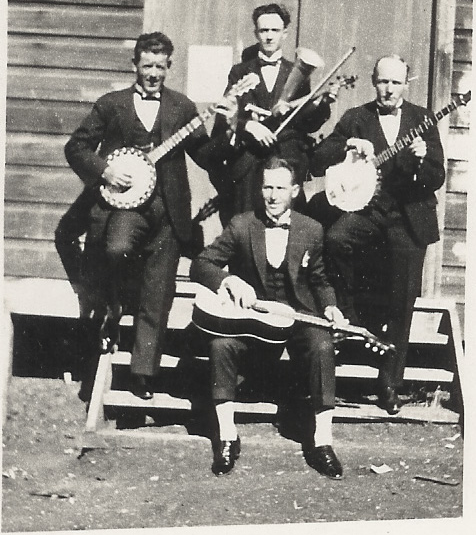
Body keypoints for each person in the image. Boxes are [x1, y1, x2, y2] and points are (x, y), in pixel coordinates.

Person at [65, 31, 229, 400]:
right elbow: (76, 147)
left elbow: (206, 155)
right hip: (126, 207)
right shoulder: (112, 104)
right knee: (116, 248)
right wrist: (105, 170)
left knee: (159, 292)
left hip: (168, 211)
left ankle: (142, 374)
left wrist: (226, 126)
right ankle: (115, 303)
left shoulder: (182, 107)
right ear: (134, 65)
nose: (153, 72)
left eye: (160, 66)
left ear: (169, 67)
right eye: (147, 65)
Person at [190, 156, 347, 479]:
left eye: (280, 188)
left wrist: (330, 306)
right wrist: (228, 280)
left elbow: (319, 281)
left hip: (298, 315)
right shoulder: (242, 224)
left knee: (322, 347)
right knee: (222, 345)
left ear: (294, 191)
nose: (273, 195)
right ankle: (227, 437)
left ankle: (322, 442)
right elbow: (202, 264)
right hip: (252, 319)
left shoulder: (311, 229)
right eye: (267, 187)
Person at [309, 54, 446, 415]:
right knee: (336, 240)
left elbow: (437, 177)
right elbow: (320, 155)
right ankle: (353, 322)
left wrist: (421, 159)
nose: (388, 89)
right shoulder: (358, 117)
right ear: (374, 81)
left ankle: (389, 384)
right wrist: (349, 146)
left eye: (395, 83)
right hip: (368, 211)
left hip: (407, 216)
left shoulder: (422, 120)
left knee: (403, 298)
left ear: (406, 84)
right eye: (382, 82)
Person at [210, 3, 336, 227]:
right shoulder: (240, 71)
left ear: (284, 33)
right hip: (249, 164)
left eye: (274, 31)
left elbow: (307, 124)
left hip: (285, 160)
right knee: (245, 229)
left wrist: (323, 104)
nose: (269, 36)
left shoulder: (298, 72)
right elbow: (224, 117)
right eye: (263, 30)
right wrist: (248, 126)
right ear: (256, 33)